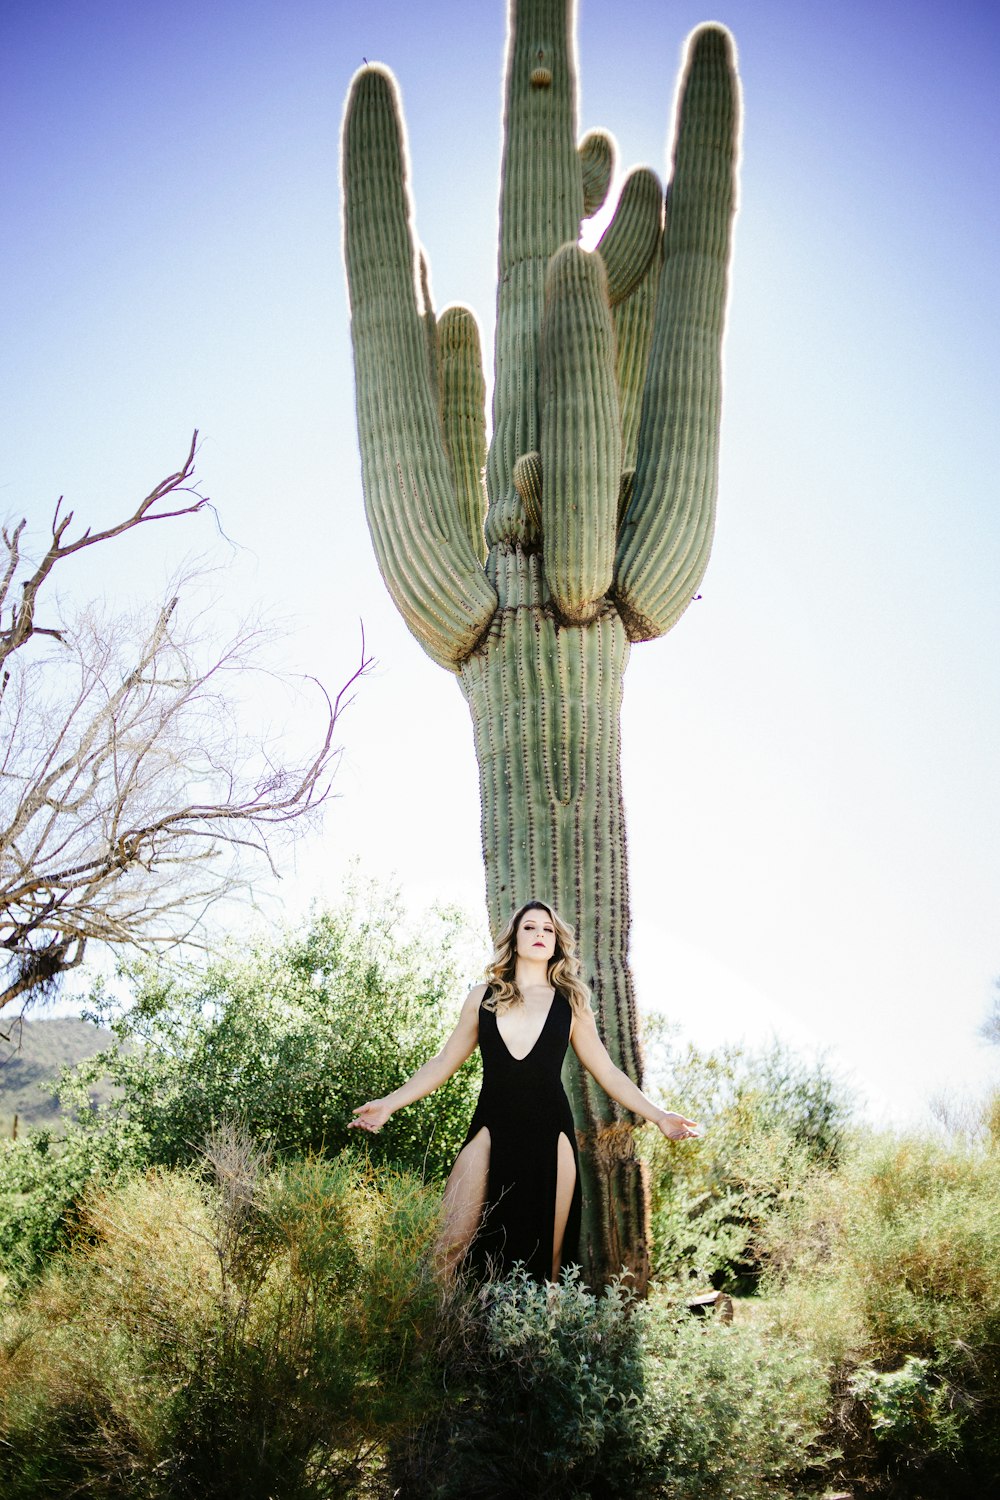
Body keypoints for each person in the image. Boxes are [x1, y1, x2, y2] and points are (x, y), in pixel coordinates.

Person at [349, 899, 698, 1283]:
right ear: (514, 940)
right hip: (490, 1130)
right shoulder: (483, 996)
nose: (540, 935)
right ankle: (434, 1340)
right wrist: (388, 1105)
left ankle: (535, 1343)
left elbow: (608, 1072)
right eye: (530, 927)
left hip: (552, 1136)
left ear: (556, 943)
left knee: (545, 1262)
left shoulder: (571, 1003)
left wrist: (659, 1116)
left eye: (548, 929)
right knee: (446, 1249)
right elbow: (443, 1062)